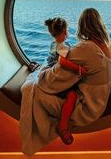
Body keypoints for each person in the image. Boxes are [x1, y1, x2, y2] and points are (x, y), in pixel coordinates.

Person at [20, 8, 111, 156]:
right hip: (98, 101)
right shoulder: (110, 44)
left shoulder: (86, 48)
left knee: (33, 91)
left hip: (86, 107)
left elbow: (51, 82)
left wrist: (40, 71)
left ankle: (59, 127)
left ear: (82, 25)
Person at [44, 17, 87, 145]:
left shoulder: (53, 44)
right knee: (72, 95)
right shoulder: (63, 45)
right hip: (55, 79)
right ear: (65, 32)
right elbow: (62, 61)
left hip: (50, 73)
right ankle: (62, 126)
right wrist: (78, 68)